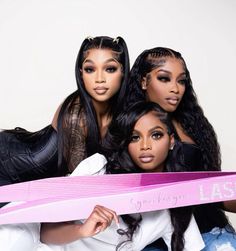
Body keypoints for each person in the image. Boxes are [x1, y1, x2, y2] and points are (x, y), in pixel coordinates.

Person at [38, 101, 204, 251]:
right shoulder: (98, 169)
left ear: (171, 141)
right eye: (135, 137)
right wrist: (82, 230)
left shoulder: (174, 200)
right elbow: (46, 233)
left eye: (156, 135)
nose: (145, 146)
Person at [125, 47, 236, 250]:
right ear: (143, 81)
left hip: (208, 231)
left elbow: (211, 190)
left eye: (181, 80)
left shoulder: (195, 126)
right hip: (152, 239)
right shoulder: (125, 125)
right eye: (165, 79)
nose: (176, 88)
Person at [0, 35, 130, 188]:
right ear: (81, 73)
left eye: (110, 69)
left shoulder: (124, 110)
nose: (99, 78)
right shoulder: (76, 114)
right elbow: (78, 186)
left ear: (123, 71)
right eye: (90, 69)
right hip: (7, 170)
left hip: (31, 181)